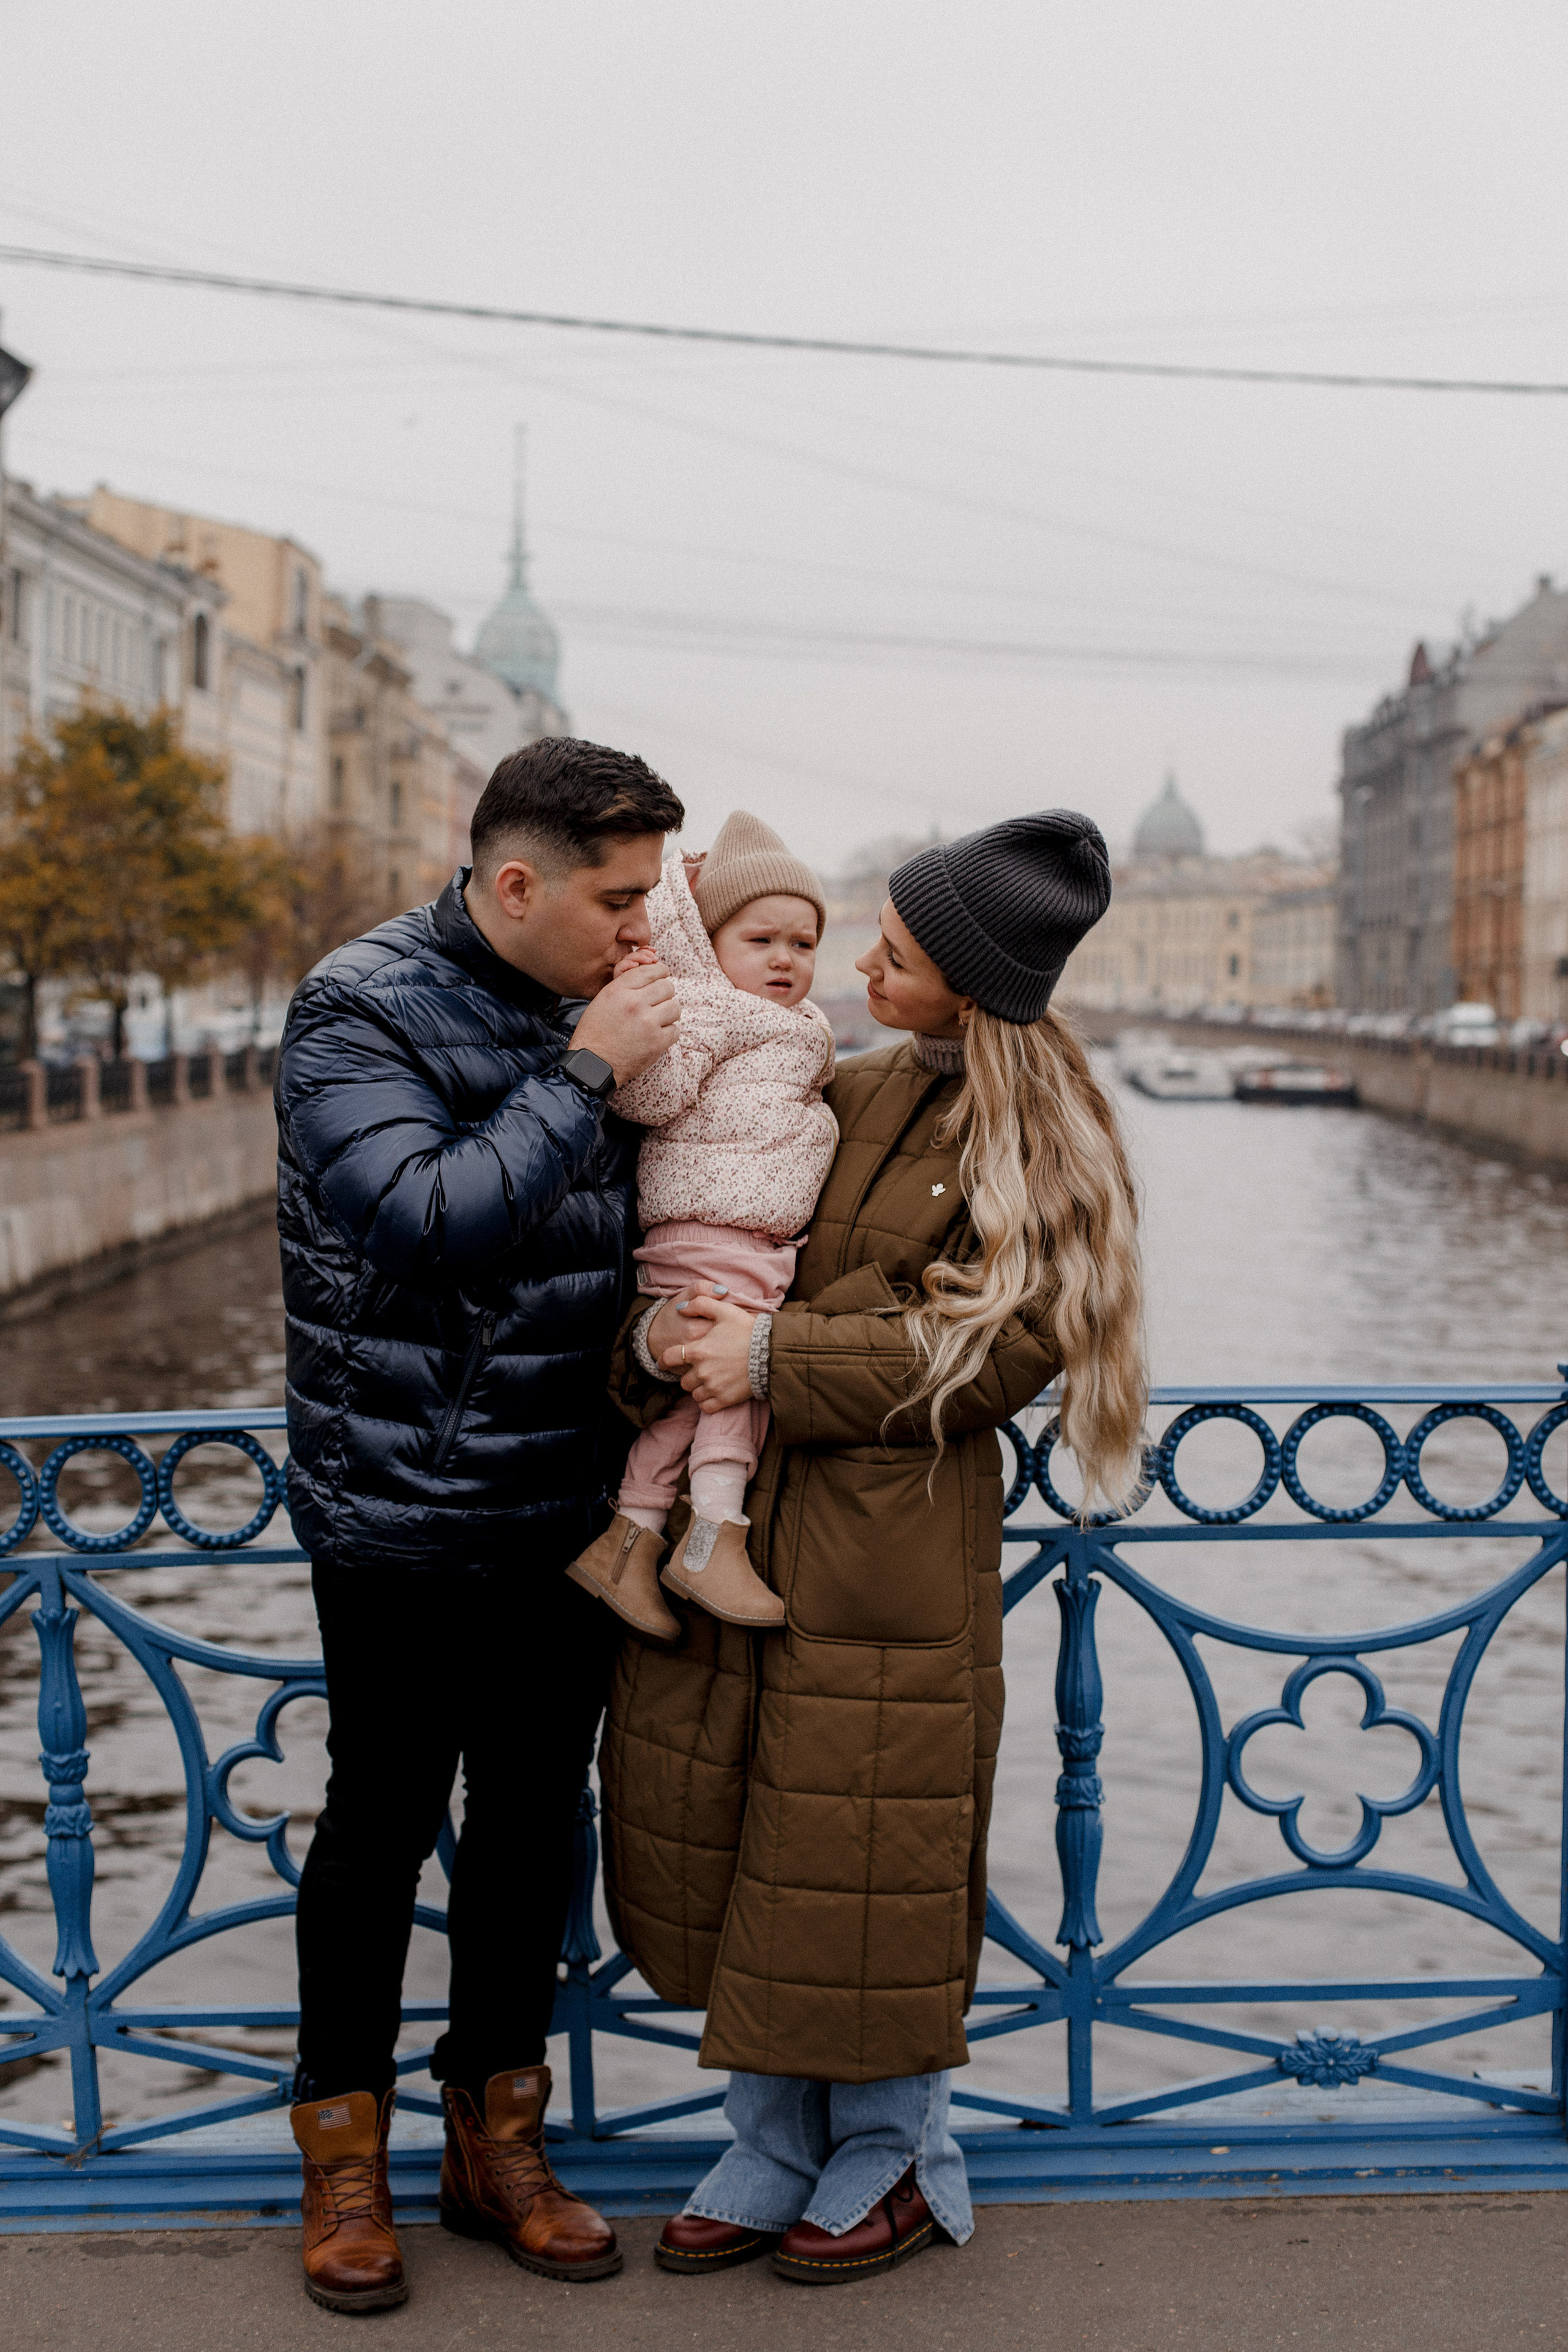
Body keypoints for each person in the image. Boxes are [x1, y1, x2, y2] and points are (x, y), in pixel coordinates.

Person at [597, 809, 1147, 2283]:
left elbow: (998, 1352)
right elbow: (705, 1241)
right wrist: (659, 1332)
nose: (860, 966)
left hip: (897, 1570)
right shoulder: (834, 1083)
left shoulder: (1050, 1139)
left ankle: (891, 2154)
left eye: (894, 955)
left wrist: (771, 1359)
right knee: (748, 1844)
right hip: (757, 1535)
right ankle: (769, 2142)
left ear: (971, 985)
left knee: (868, 1866)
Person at [274, 737, 684, 2313]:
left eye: (653, 899)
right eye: (618, 900)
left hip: (566, 1501)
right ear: (514, 884)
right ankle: (344, 2161)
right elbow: (427, 1219)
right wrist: (584, 1068)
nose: (640, 934)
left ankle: (495, 2140)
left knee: (530, 1832)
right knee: (377, 1834)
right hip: (400, 1504)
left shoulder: (601, 983)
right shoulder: (355, 1006)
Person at [568, 810, 837, 1638]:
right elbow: (647, 1095)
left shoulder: (806, 1024)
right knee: (739, 1374)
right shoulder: (708, 1009)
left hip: (745, 1236)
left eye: (802, 943)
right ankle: (714, 1534)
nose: (786, 960)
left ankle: (629, 1537)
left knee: (691, 1394)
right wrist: (641, 1003)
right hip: (715, 1232)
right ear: (714, 946)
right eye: (762, 941)